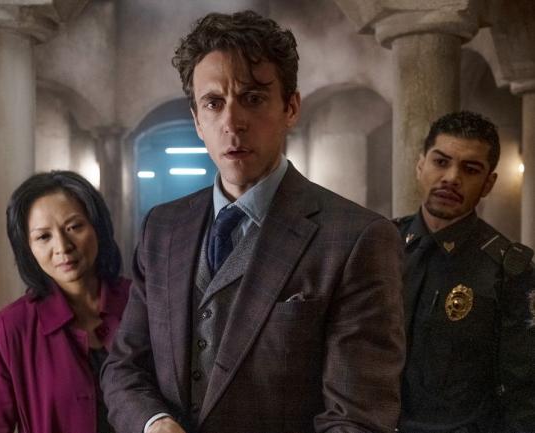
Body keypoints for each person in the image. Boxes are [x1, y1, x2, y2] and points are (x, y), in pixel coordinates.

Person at [102, 10, 405, 433]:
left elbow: (356, 420)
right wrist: (154, 424)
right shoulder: (162, 228)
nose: (232, 122)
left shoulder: (357, 238)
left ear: (290, 107)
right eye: (214, 103)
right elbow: (124, 368)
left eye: (253, 98)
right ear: (197, 119)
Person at [395, 111, 535, 433]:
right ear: (420, 165)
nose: (451, 178)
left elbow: (524, 393)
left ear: (488, 184)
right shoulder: (380, 245)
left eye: (470, 169)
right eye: (440, 162)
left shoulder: (508, 269)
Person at [0, 170, 130, 433]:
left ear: (98, 228)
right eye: (44, 236)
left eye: (74, 227)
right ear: (28, 248)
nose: (63, 247)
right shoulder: (12, 327)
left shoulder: (142, 303)